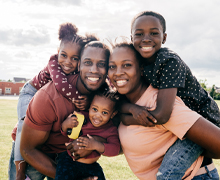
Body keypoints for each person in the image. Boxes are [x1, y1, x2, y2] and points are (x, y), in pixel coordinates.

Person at [123, 11, 220, 179]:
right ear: (131, 38)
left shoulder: (169, 62)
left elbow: (162, 114)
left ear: (164, 37)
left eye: (154, 33)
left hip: (204, 119)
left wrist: (128, 118)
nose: (146, 38)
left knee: (166, 175)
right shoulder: (141, 64)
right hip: (186, 125)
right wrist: (130, 107)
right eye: (139, 34)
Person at [9, 22, 94, 180]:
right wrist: (79, 99)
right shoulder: (54, 62)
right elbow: (61, 85)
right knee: (23, 123)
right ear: (58, 52)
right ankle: (20, 170)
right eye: (64, 55)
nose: (68, 61)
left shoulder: (76, 72)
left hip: (55, 142)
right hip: (30, 91)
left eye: (74, 58)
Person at [19, 40, 110, 180]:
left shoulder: (105, 99)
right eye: (88, 62)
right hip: (39, 154)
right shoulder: (49, 96)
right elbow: (27, 149)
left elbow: (117, 138)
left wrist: (93, 142)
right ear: (79, 65)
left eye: (102, 64)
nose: (94, 69)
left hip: (67, 157)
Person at [55, 86, 120, 179]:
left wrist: (96, 145)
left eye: (104, 113)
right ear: (89, 106)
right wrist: (65, 125)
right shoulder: (82, 117)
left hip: (92, 166)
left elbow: (115, 149)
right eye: (95, 109)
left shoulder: (110, 129)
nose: (97, 116)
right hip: (69, 161)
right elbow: (66, 133)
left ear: (113, 114)